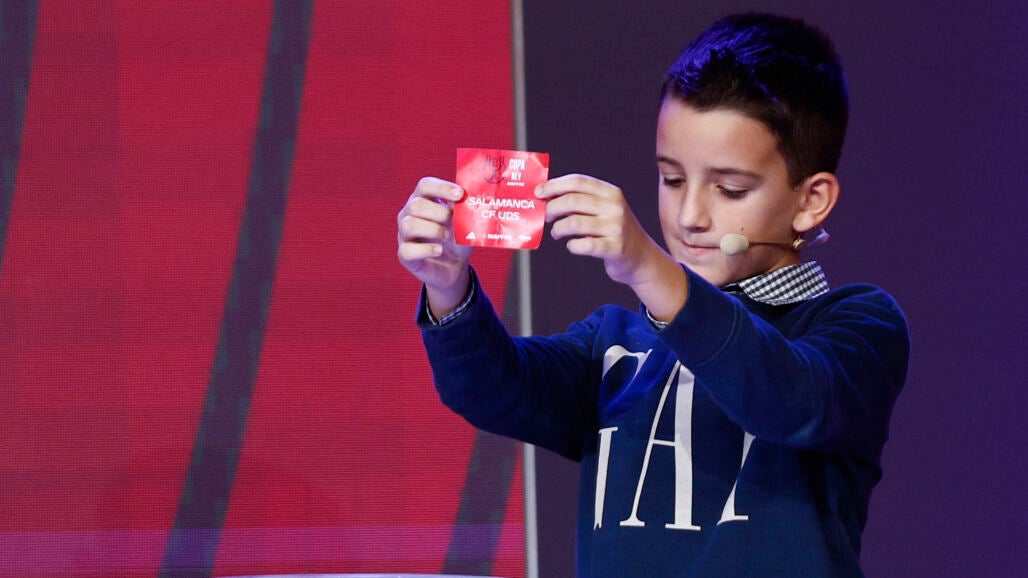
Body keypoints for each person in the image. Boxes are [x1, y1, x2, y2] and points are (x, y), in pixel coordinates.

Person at [396, 12, 909, 578]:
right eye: (672, 179)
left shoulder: (857, 325)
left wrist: (649, 267)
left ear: (811, 201)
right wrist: (448, 287)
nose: (690, 216)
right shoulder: (614, 343)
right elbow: (494, 390)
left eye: (730, 189)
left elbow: (789, 398)